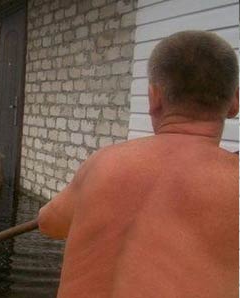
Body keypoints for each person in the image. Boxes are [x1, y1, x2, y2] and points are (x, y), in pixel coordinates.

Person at [37, 31, 239, 297]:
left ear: (154, 98)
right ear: (235, 102)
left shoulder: (102, 162)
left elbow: (48, 223)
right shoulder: (232, 179)